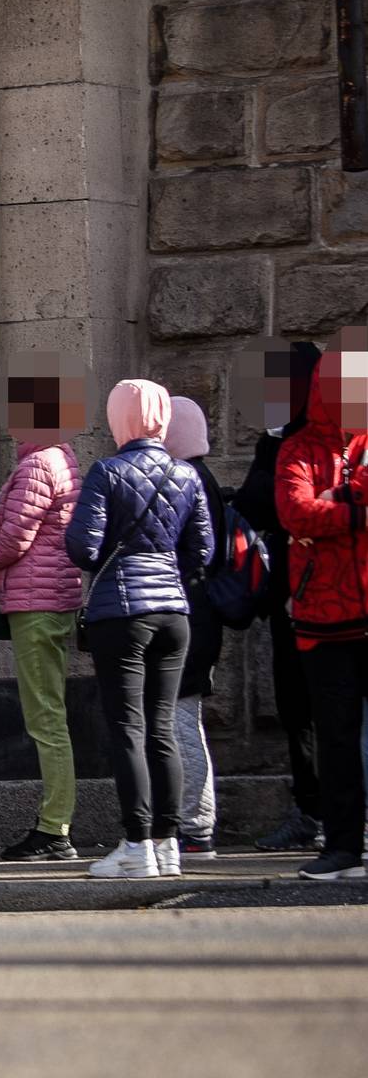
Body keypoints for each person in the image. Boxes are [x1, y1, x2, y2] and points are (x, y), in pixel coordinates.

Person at [67, 378, 210, 881]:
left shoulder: (107, 471)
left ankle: (136, 845)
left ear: (118, 418)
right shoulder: (186, 474)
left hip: (121, 613)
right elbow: (203, 552)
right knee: (164, 728)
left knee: (128, 730)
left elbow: (82, 549)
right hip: (175, 613)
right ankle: (169, 844)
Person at [0, 359, 87, 863]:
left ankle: (54, 829)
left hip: (36, 602)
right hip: (54, 598)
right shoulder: (62, 458)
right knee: (51, 713)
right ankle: (54, 823)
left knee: (45, 717)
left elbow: (13, 540)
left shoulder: (37, 464)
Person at [274, 327, 368, 881]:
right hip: (322, 620)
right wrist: (356, 510)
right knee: (334, 740)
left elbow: (313, 513)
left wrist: (336, 499)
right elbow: (295, 512)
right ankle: (341, 847)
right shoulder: (298, 447)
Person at [238, 341, 328, 854]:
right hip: (289, 595)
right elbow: (254, 502)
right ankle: (310, 810)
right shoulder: (277, 438)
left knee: (332, 708)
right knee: (297, 709)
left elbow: (278, 504)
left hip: (326, 595)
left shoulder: (315, 439)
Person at [166, 396, 226, 860]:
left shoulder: (188, 481)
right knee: (186, 719)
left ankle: (195, 825)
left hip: (189, 614)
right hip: (199, 613)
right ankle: (194, 822)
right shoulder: (203, 478)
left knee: (180, 719)